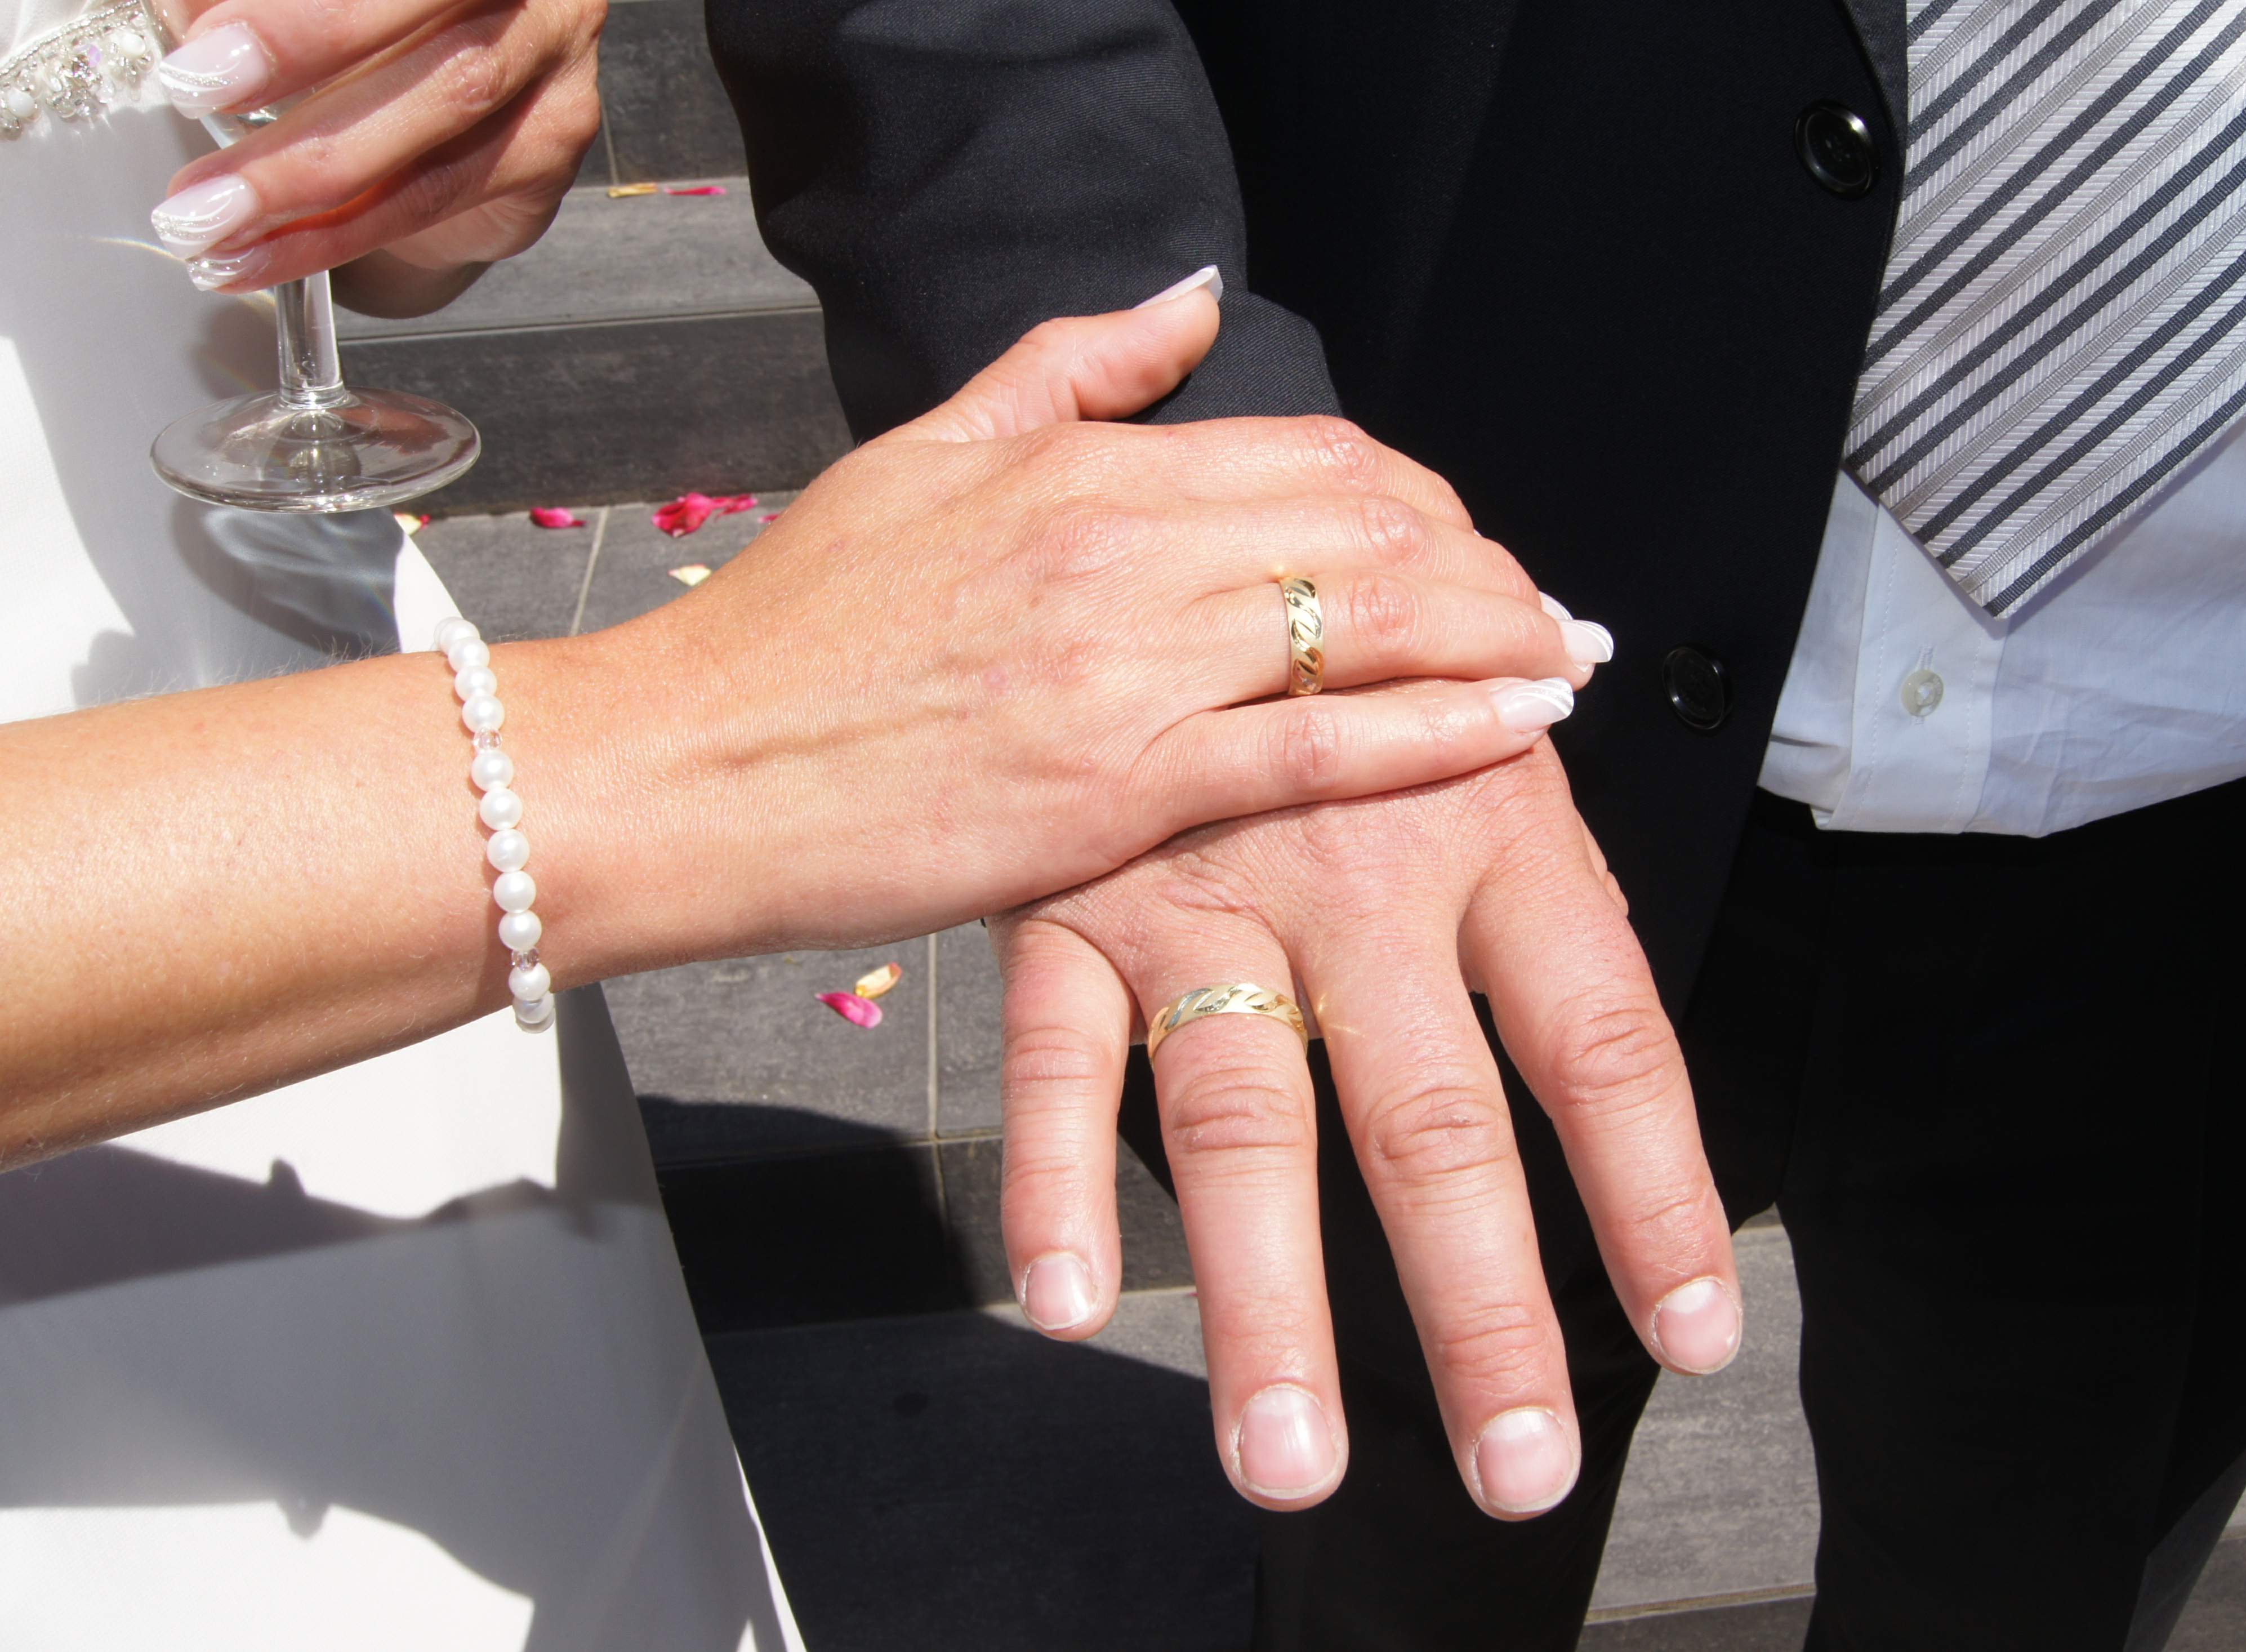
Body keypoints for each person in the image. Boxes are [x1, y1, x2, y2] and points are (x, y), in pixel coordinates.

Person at [0, 0, 1608, 1645]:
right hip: (310, 900)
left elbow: (153, 207)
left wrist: (434, 146)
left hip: (337, 811)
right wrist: (663, 746)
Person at [708, 0, 2246, 1646]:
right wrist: (1222, 574)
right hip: (1460, 725)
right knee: (1401, 1535)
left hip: (2221, 801)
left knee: (2052, 1574)